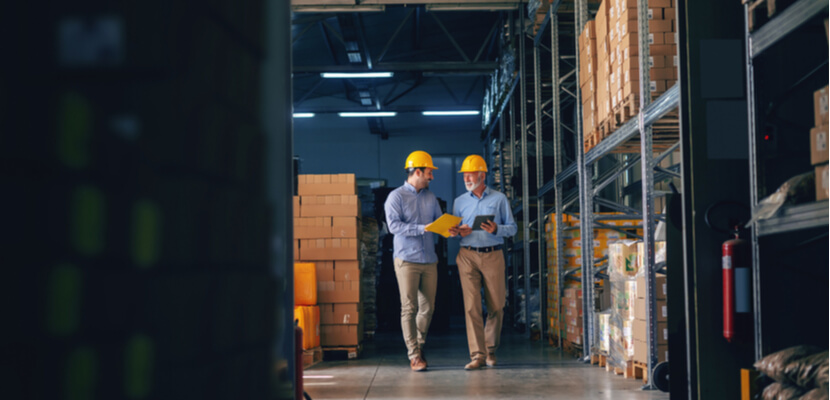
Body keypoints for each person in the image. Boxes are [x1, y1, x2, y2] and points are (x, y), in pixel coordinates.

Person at [448, 155, 517, 370]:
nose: (467, 178)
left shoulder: (499, 199)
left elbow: (513, 228)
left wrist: (497, 229)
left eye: (470, 174)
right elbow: (455, 231)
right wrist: (459, 232)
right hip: (467, 255)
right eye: (465, 175)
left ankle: (491, 350)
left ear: (482, 175)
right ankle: (477, 355)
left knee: (497, 304)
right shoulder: (459, 202)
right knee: (472, 306)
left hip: (493, 254)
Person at [383, 150, 443, 372]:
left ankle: (419, 345)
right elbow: (394, 227)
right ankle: (414, 355)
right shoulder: (396, 197)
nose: (431, 177)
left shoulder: (431, 198)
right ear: (417, 172)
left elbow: (438, 223)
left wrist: (452, 228)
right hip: (406, 259)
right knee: (409, 307)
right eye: (429, 173)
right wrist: (421, 228)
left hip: (429, 259)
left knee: (428, 307)